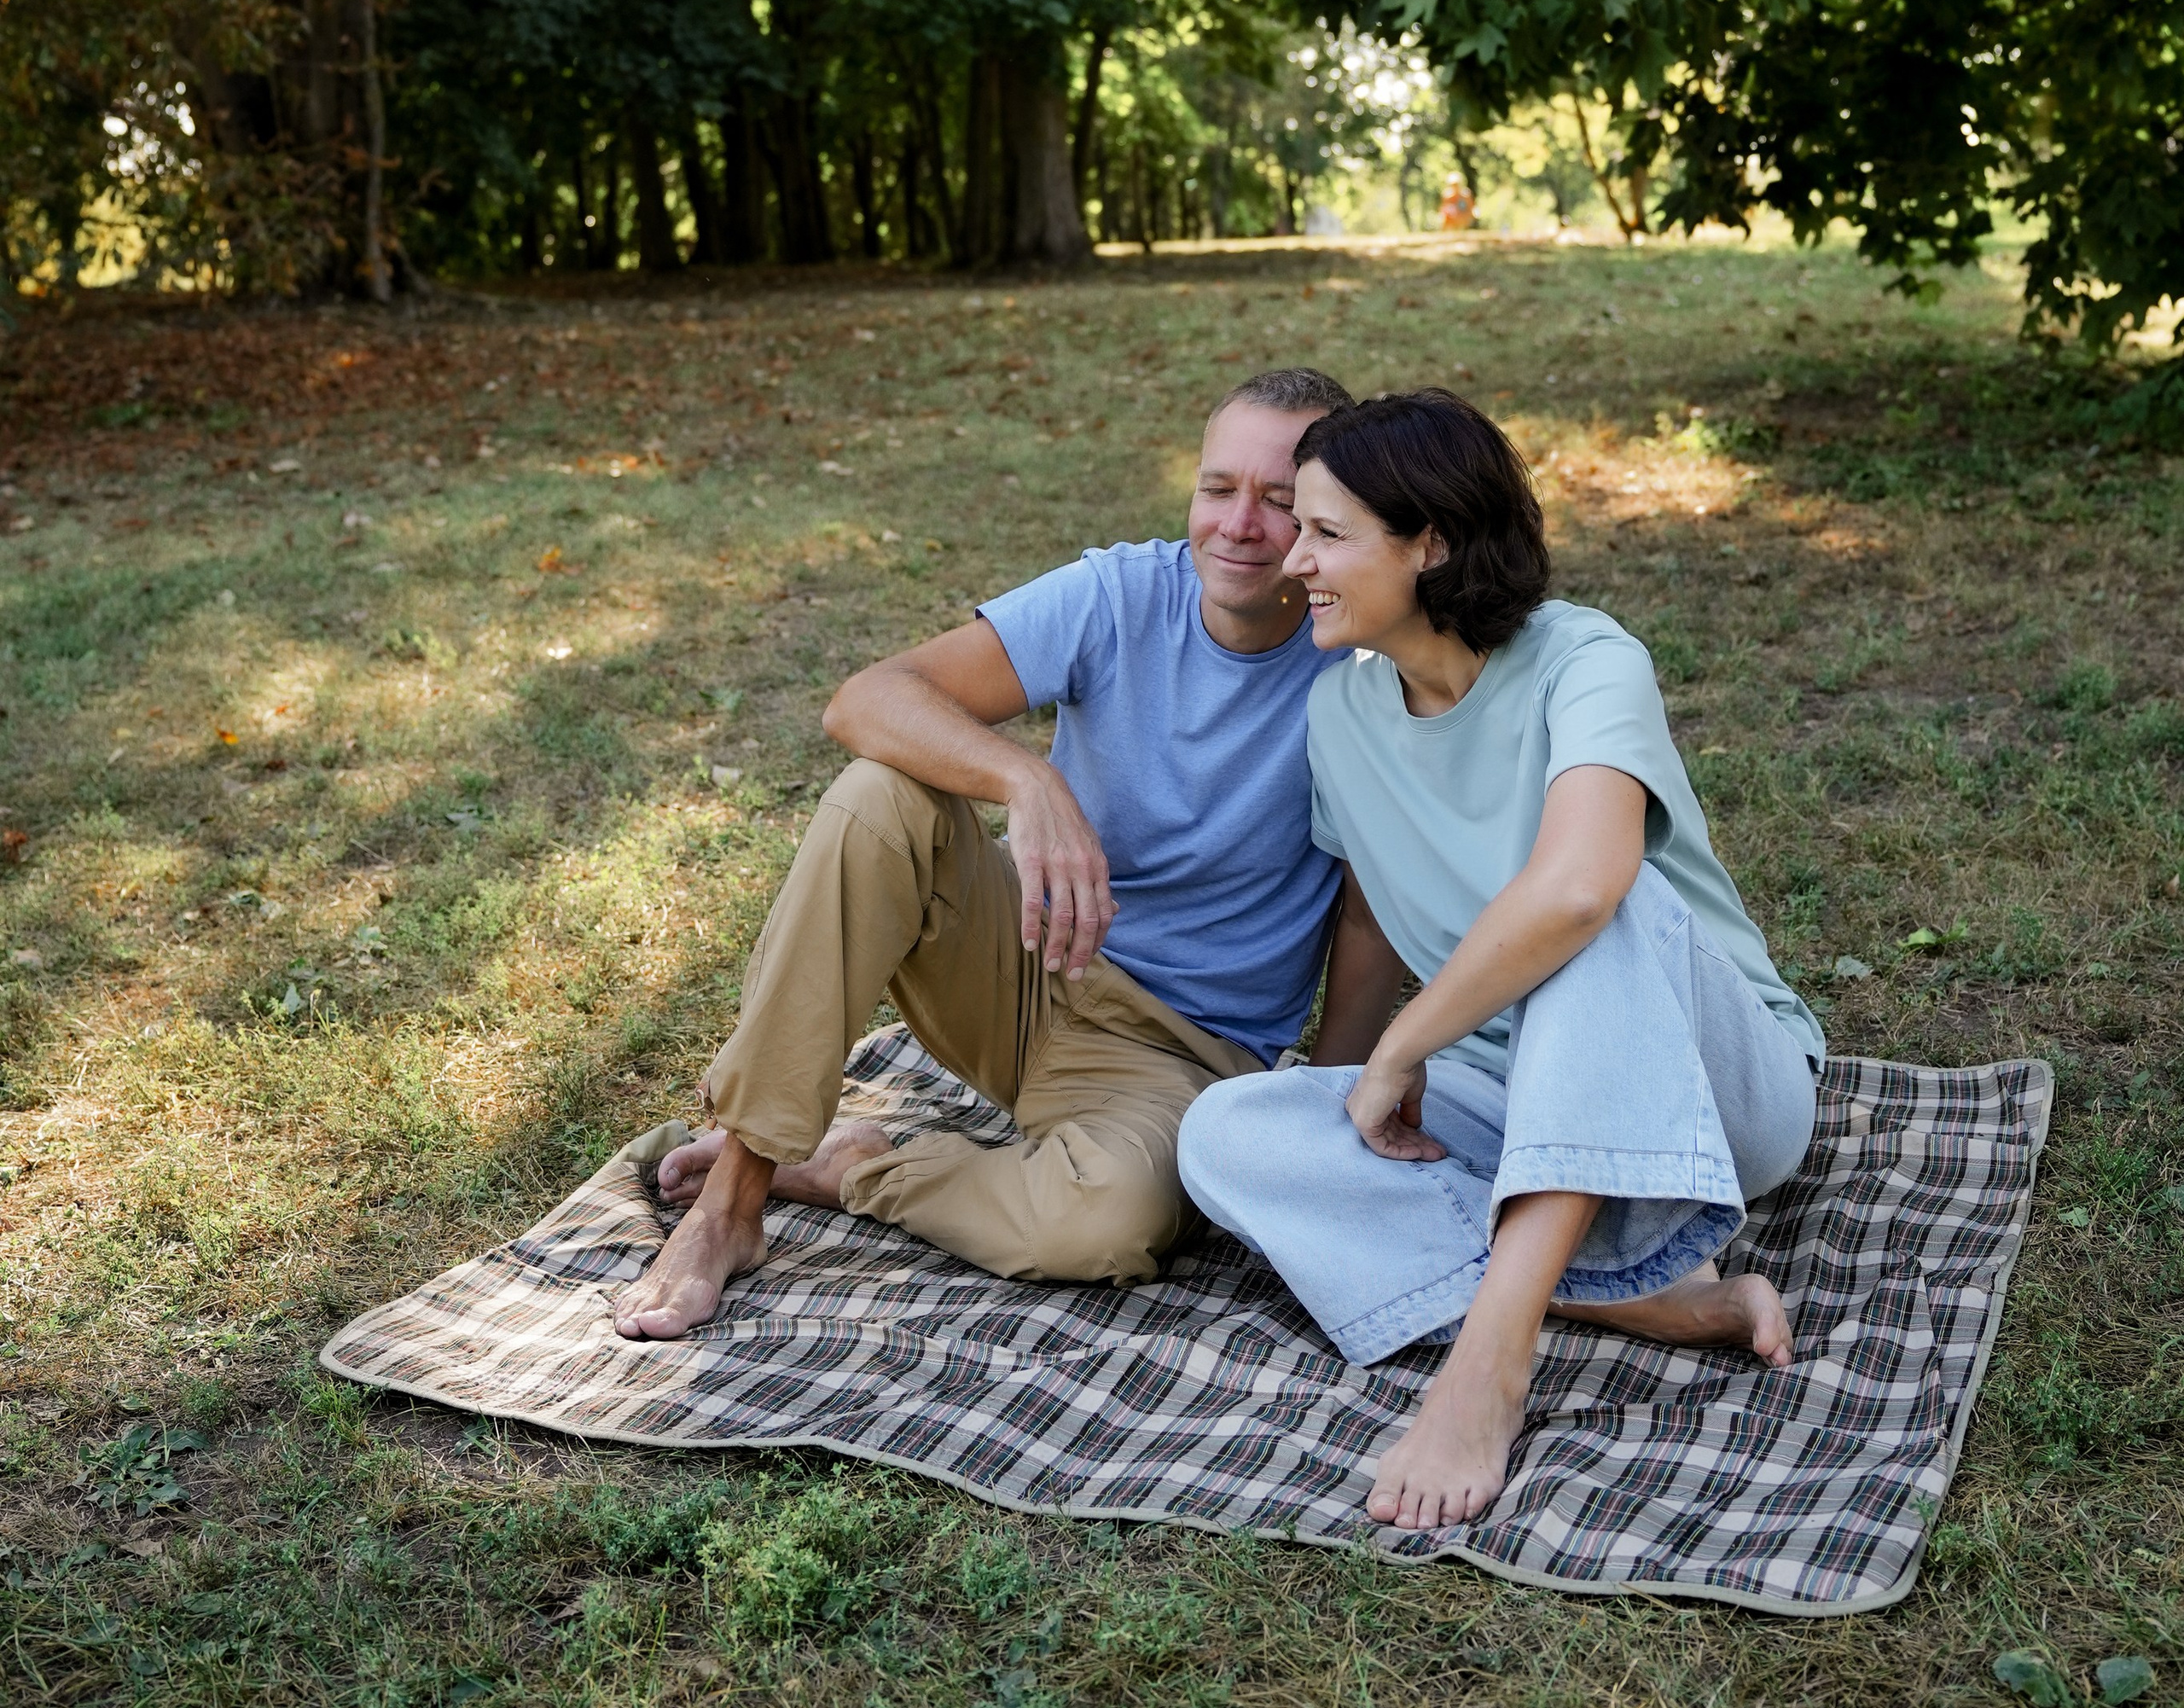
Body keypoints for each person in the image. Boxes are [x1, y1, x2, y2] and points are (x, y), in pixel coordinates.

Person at [612, 364, 1403, 1341]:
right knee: (877, 799)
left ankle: (857, 1165)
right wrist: (1027, 782)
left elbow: (1370, 920)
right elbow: (865, 700)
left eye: (1282, 503)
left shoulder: (1367, 673)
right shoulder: (1119, 594)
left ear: (1332, 520)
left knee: (1107, 1224)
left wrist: (1315, 1120)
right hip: (1028, 962)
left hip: (1176, 1059)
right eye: (1216, 488)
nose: (1239, 525)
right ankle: (732, 1201)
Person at [1176, 388, 1824, 1530]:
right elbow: (1372, 922)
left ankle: (1491, 1365)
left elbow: (1578, 889)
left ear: (1429, 542)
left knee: (1591, 915)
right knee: (1225, 1133)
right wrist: (1340, 1086)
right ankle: (1647, 1302)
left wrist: (1406, 1048)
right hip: (1508, 1090)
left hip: (1714, 1091)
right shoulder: (1342, 713)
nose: (1292, 560)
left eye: (1327, 533)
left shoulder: (1583, 657)